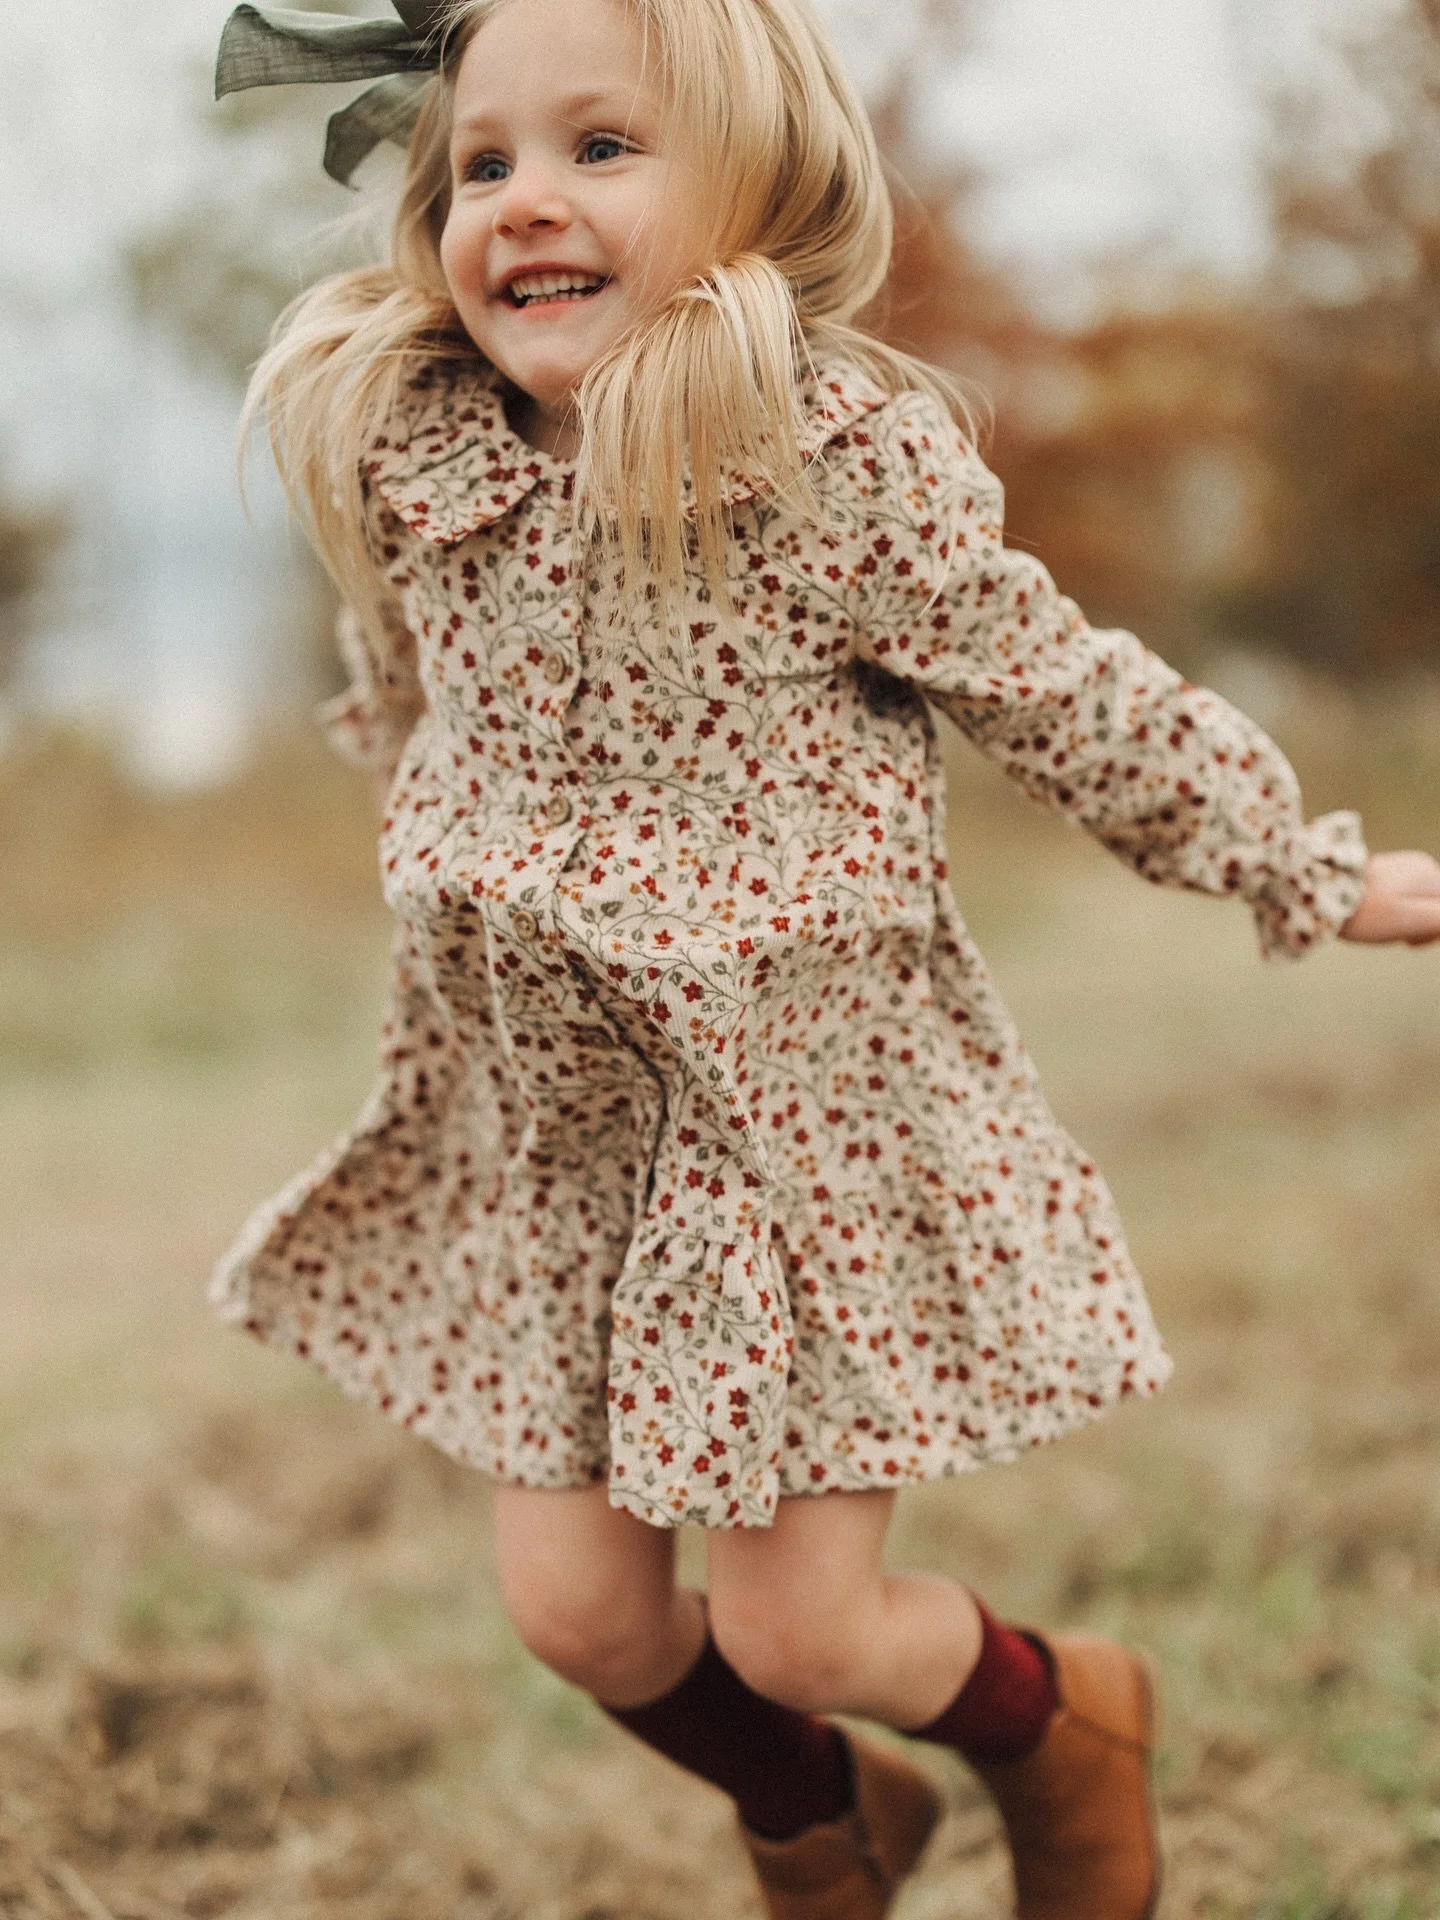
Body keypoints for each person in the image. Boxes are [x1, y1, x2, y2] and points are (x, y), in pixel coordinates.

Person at [211, 0, 1440, 1914]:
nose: (526, 202)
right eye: (484, 162)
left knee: (798, 1626)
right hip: (571, 1138)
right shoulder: (417, 454)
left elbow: (1053, 686)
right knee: (582, 1617)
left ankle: (1063, 1717)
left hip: (800, 1134)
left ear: (755, 189)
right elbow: (408, 672)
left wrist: (1298, 866)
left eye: (600, 149)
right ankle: (830, 1815)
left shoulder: (816, 465)